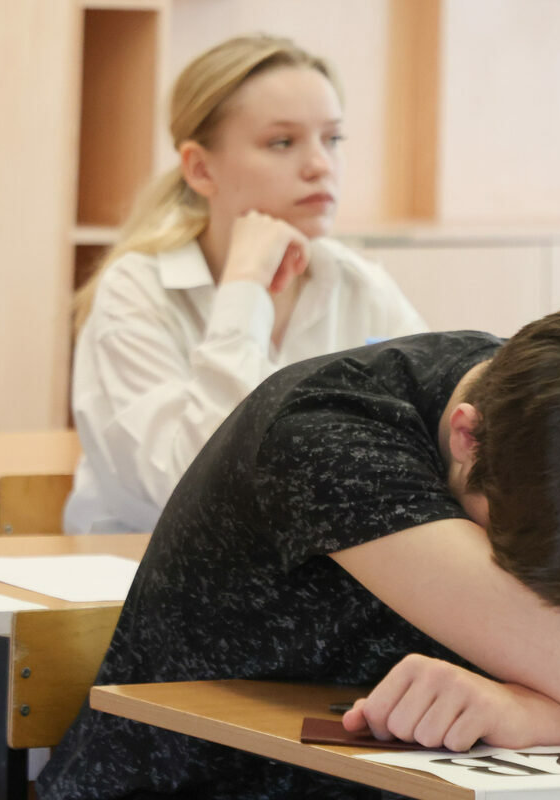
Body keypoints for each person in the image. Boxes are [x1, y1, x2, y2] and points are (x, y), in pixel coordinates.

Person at [38, 304, 560, 800]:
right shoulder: (325, 434)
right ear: (466, 437)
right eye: (536, 571)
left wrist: (529, 716)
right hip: (200, 784)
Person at [65, 34, 427, 534]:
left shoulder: (361, 285)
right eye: (282, 143)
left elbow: (429, 450)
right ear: (200, 168)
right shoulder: (135, 291)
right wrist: (243, 291)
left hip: (317, 565)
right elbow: (196, 489)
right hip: (141, 568)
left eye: (333, 139)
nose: (320, 165)